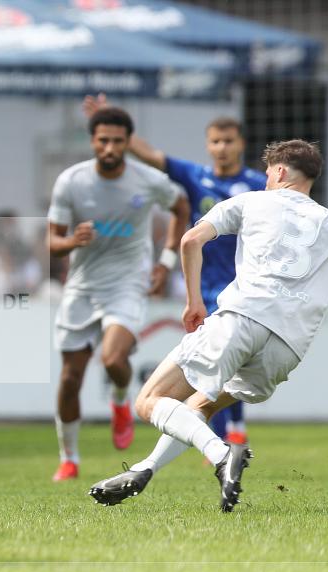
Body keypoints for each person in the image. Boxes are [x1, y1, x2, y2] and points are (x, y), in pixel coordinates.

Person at [89, 140, 328, 512]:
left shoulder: (251, 201)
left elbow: (190, 240)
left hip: (244, 317)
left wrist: (194, 301)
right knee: (198, 407)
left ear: (280, 172)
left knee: (149, 401)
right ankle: (144, 469)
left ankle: (222, 454)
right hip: (289, 346)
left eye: (269, 173)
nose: (266, 179)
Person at [84, 94, 266, 446]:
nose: (222, 148)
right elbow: (152, 155)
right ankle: (227, 435)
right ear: (208, 145)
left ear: (241, 144)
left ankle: (228, 432)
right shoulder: (195, 176)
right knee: (215, 362)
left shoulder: (258, 185)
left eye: (228, 141)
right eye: (215, 141)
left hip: (246, 286)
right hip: (206, 288)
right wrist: (109, 119)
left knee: (229, 362)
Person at [47, 107, 190, 481]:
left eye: (117, 141)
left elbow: (180, 205)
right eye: (103, 140)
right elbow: (51, 241)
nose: (110, 147)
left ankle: (121, 401)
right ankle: (69, 457)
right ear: (92, 141)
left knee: (112, 359)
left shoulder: (147, 180)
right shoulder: (71, 181)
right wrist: (70, 241)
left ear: (128, 142)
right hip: (82, 286)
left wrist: (166, 260)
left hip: (128, 283)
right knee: (69, 378)